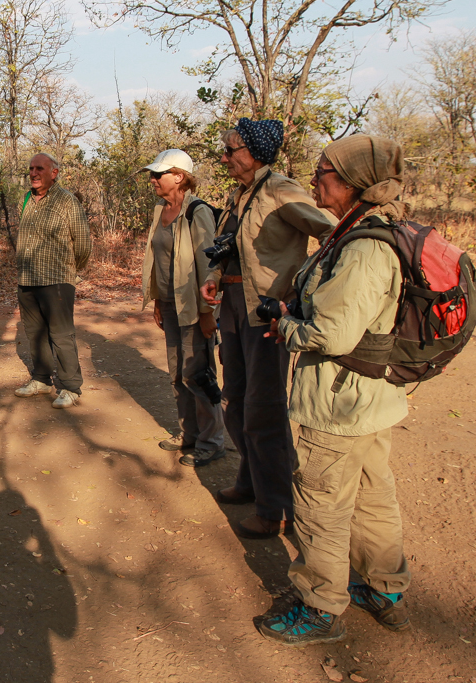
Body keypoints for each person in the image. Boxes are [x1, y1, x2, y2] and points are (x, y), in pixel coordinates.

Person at [257, 135, 411, 646]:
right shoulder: (365, 231)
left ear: (350, 183)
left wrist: (285, 327)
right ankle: (384, 590)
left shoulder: (365, 246)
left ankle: (320, 606)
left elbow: (333, 333)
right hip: (368, 398)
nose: (316, 176)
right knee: (372, 497)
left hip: (339, 402)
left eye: (324, 169)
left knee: (322, 501)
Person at [199, 118, 335, 539]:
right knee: (236, 401)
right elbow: (230, 248)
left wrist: (305, 288)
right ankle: (250, 480)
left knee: (265, 408)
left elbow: (332, 230)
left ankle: (277, 507)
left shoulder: (281, 190)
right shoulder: (240, 193)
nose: (225, 157)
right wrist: (215, 276)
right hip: (235, 306)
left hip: (267, 313)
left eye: (232, 149)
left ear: (255, 152)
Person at [139, 149, 226, 467]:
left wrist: (207, 313)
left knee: (198, 374)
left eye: (158, 174)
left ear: (179, 176)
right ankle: (189, 433)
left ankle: (212, 440)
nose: (152, 180)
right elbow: (157, 259)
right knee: (178, 374)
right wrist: (158, 301)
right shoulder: (160, 208)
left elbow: (208, 265)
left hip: (193, 308)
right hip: (170, 305)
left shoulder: (197, 211)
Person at [14, 153, 91, 409]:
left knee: (61, 334)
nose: (34, 173)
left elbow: (83, 244)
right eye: (31, 169)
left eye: (40, 169)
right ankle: (42, 379)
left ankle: (71, 387)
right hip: (27, 278)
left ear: (54, 173)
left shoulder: (67, 201)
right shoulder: (26, 199)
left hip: (56, 279)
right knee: (35, 333)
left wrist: (69, 271)